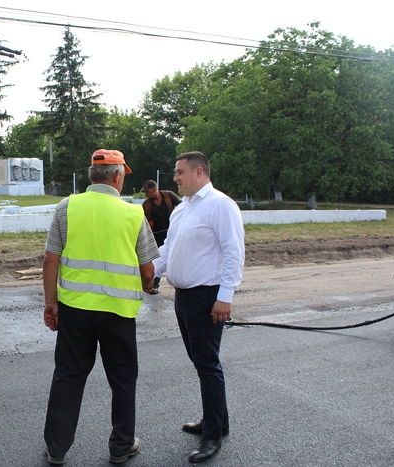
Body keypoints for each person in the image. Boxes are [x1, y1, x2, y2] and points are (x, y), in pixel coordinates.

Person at [42, 149, 159, 465]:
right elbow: (148, 270)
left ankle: (56, 449)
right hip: (118, 313)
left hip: (74, 310)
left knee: (68, 376)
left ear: (93, 176)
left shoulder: (67, 207)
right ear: (117, 176)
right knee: (122, 379)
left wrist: (51, 303)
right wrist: (148, 284)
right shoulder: (133, 213)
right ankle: (121, 447)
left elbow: (51, 259)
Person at [152, 151, 245, 463]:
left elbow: (234, 252)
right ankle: (218, 420)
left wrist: (225, 296)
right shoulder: (183, 208)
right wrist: (151, 271)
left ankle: (212, 435)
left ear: (199, 172)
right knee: (201, 361)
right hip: (184, 297)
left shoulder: (220, 204)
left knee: (207, 364)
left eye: (180, 172)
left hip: (207, 297)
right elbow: (168, 248)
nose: (175, 178)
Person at [140, 180, 181, 293]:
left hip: (172, 233)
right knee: (157, 259)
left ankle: (179, 279)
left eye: (147, 192)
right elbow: (142, 221)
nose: (145, 194)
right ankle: (154, 285)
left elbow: (182, 207)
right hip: (156, 236)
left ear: (154, 190)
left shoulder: (169, 196)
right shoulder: (146, 205)